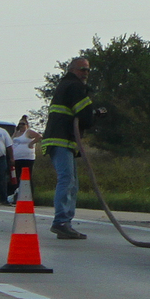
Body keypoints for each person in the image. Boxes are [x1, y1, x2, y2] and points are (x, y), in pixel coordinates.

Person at [38, 57, 97, 239]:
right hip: (61, 140)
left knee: (72, 182)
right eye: (82, 70)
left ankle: (65, 222)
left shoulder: (66, 86)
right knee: (67, 180)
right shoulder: (75, 87)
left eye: (88, 70)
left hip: (64, 141)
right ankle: (61, 221)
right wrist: (95, 114)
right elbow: (85, 116)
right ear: (72, 70)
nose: (85, 73)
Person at [5, 114, 38, 203]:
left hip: (27, 158)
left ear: (26, 125)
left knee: (27, 178)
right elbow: (11, 141)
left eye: (23, 124)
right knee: (18, 177)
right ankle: (18, 196)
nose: (21, 126)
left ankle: (30, 198)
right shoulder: (17, 134)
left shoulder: (28, 132)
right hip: (17, 159)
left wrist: (32, 143)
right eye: (20, 124)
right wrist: (16, 131)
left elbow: (39, 136)